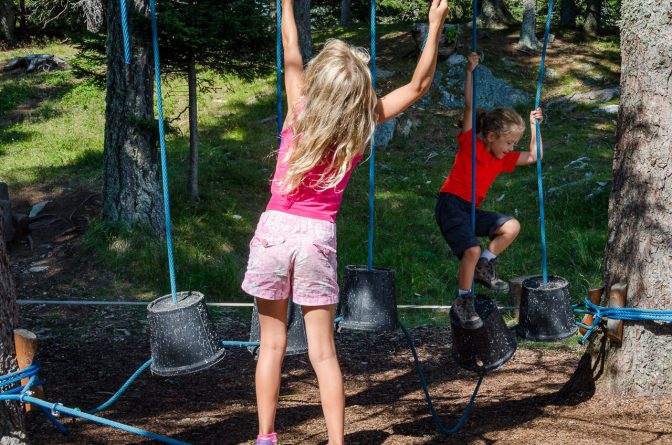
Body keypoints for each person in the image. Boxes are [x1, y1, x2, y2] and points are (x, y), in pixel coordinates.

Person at [241, 0, 450, 443]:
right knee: (323, 353)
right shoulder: (360, 123)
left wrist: (287, 4)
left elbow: (291, 47)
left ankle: (265, 438)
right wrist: (434, 26)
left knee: (272, 346)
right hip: (317, 236)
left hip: (275, 229)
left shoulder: (299, 105)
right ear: (357, 91)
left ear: (320, 80)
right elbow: (418, 85)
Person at [435, 52, 544, 330]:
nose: (511, 149)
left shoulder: (502, 158)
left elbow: (534, 157)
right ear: (492, 136)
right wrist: (470, 71)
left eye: (514, 143)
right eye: (509, 142)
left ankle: (485, 265)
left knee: (511, 226)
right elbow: (470, 106)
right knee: (470, 249)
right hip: (450, 204)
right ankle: (463, 300)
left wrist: (534, 127)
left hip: (470, 210)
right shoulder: (471, 143)